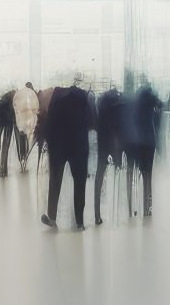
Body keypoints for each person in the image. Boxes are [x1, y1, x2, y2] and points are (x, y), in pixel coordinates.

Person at [41, 76, 93, 230]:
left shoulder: (56, 96)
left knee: (55, 181)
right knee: (80, 183)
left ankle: (52, 216)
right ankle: (80, 222)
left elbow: (49, 124)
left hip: (58, 147)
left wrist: (48, 145)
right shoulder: (84, 96)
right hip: (79, 146)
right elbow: (91, 121)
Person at [122, 82, 162, 217]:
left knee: (133, 175)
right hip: (150, 142)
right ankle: (148, 208)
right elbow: (161, 105)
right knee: (148, 176)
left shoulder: (135, 104)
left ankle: (131, 208)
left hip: (138, 142)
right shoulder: (151, 102)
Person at [92, 83, 124, 226]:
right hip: (115, 145)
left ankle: (97, 215)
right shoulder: (117, 107)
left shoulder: (101, 106)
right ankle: (117, 214)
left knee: (99, 177)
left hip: (102, 144)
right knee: (119, 176)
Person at [9, 80, 40, 176]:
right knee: (27, 142)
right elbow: (37, 111)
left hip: (21, 125)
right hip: (29, 125)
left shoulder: (20, 97)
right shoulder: (34, 97)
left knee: (21, 143)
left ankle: (22, 161)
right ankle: (25, 160)